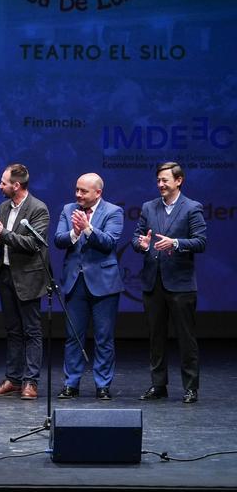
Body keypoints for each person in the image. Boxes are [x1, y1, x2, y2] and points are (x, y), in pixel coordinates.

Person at [132, 162, 206, 404]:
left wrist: (176, 243)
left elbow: (200, 242)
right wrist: (140, 244)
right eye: (158, 181)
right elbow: (137, 237)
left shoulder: (192, 208)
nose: (160, 185)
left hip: (181, 284)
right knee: (156, 337)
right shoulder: (148, 207)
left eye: (165, 180)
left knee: (186, 338)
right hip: (153, 282)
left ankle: (191, 387)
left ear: (178, 180)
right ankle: (158, 385)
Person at [54, 173, 124, 400]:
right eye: (77, 189)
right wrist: (75, 232)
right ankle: (71, 384)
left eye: (83, 191)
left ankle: (102, 385)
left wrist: (87, 228)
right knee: (73, 336)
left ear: (98, 193)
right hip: (75, 282)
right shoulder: (68, 209)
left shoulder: (114, 212)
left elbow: (109, 243)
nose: (78, 195)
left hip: (104, 283)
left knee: (104, 337)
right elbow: (58, 239)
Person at [0, 163, 50, 401]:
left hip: (29, 278)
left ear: (16, 185)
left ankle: (30, 382)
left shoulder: (38, 209)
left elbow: (33, 243)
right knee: (12, 331)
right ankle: (13, 379)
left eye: (4, 182)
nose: (0, 186)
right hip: (6, 276)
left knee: (31, 331)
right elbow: (4, 242)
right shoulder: (3, 207)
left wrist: (2, 235)